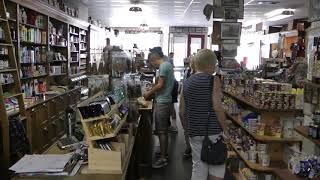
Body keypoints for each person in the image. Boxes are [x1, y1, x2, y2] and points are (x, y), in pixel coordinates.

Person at [182, 49, 228, 180]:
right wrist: (226, 130)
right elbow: (218, 108)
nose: (215, 66)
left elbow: (182, 111)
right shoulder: (214, 81)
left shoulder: (186, 82)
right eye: (215, 63)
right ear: (210, 64)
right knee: (216, 167)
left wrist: (187, 129)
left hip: (194, 132)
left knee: (198, 167)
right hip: (212, 132)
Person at [144, 47, 174, 168]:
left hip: (163, 102)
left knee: (162, 131)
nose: (153, 67)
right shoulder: (167, 65)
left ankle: (163, 158)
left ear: (154, 59)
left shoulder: (163, 66)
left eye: (152, 64)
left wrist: (149, 93)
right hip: (164, 101)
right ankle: (163, 153)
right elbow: (161, 83)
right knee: (163, 130)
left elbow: (160, 85)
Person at [179, 57, 195, 158]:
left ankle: (191, 148)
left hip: (191, 108)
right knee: (188, 130)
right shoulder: (188, 72)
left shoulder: (191, 75)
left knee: (188, 130)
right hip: (190, 108)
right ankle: (190, 147)